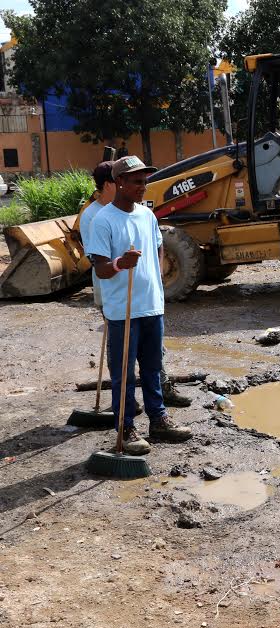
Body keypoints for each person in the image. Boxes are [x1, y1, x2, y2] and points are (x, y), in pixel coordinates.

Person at [87, 156, 192, 454]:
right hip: (123, 311)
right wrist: (122, 262)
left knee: (152, 367)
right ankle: (126, 427)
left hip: (152, 307)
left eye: (145, 181)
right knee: (124, 374)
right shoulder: (103, 220)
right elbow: (101, 268)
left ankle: (158, 420)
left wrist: (155, 276)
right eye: (136, 181)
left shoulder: (147, 216)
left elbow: (158, 244)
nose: (142, 187)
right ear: (119, 182)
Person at [79, 161, 116, 312]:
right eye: (119, 180)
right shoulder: (91, 215)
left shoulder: (125, 208)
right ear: (107, 185)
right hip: (108, 288)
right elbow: (93, 257)